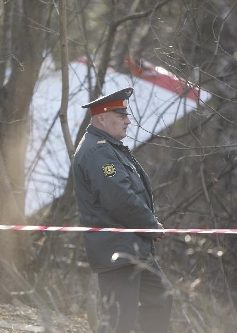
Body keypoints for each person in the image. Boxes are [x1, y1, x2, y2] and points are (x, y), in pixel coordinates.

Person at [73, 87, 173, 333]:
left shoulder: (108, 147)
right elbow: (118, 197)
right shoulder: (98, 151)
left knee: (159, 297)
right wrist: (149, 225)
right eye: (121, 116)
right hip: (117, 250)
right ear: (101, 119)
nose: (128, 121)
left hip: (132, 246)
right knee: (119, 321)